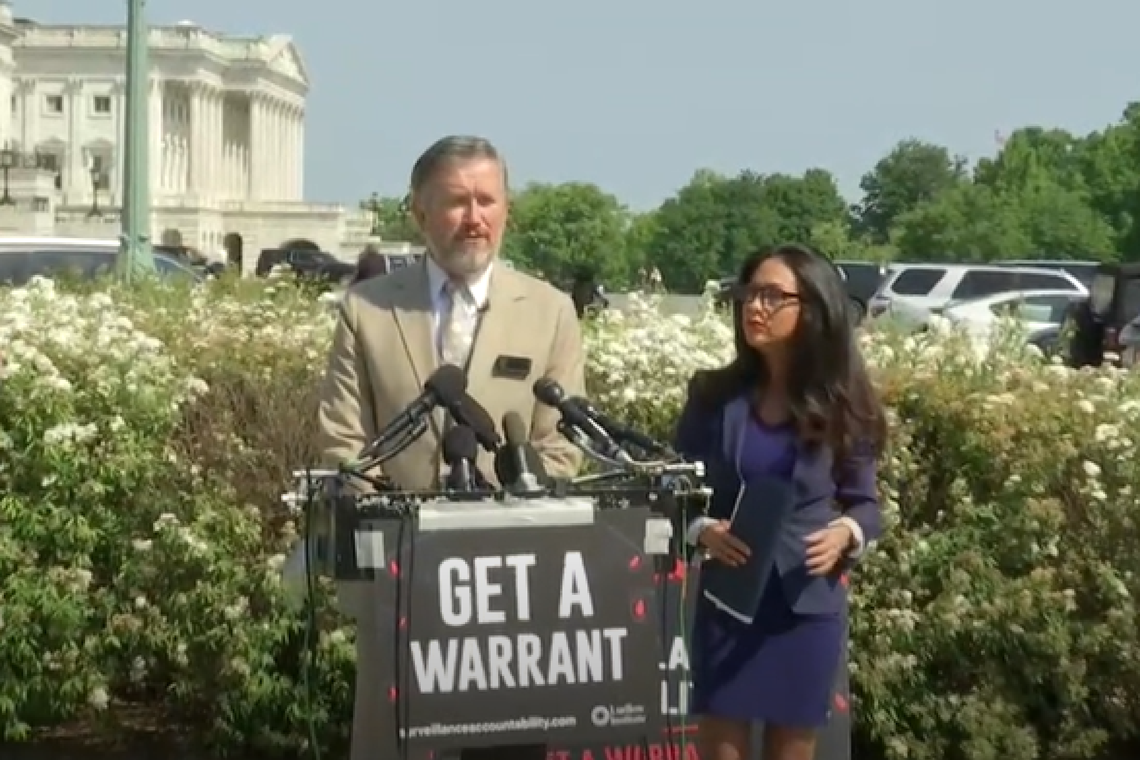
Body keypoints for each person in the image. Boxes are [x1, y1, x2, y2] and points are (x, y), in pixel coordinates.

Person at [315, 135, 585, 760]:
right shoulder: (367, 309)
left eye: (487, 200)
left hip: (512, 596)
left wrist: (494, 526)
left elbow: (560, 446)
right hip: (399, 584)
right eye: (457, 201)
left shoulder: (551, 311)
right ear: (419, 211)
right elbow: (344, 446)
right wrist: (401, 534)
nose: (475, 217)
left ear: (506, 208)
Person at [673, 243, 886, 760]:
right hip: (730, 599)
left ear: (812, 309)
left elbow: (866, 507)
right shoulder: (713, 395)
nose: (753, 307)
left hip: (805, 602)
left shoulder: (844, 403)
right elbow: (675, 490)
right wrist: (703, 530)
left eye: (772, 296)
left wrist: (846, 534)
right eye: (748, 294)